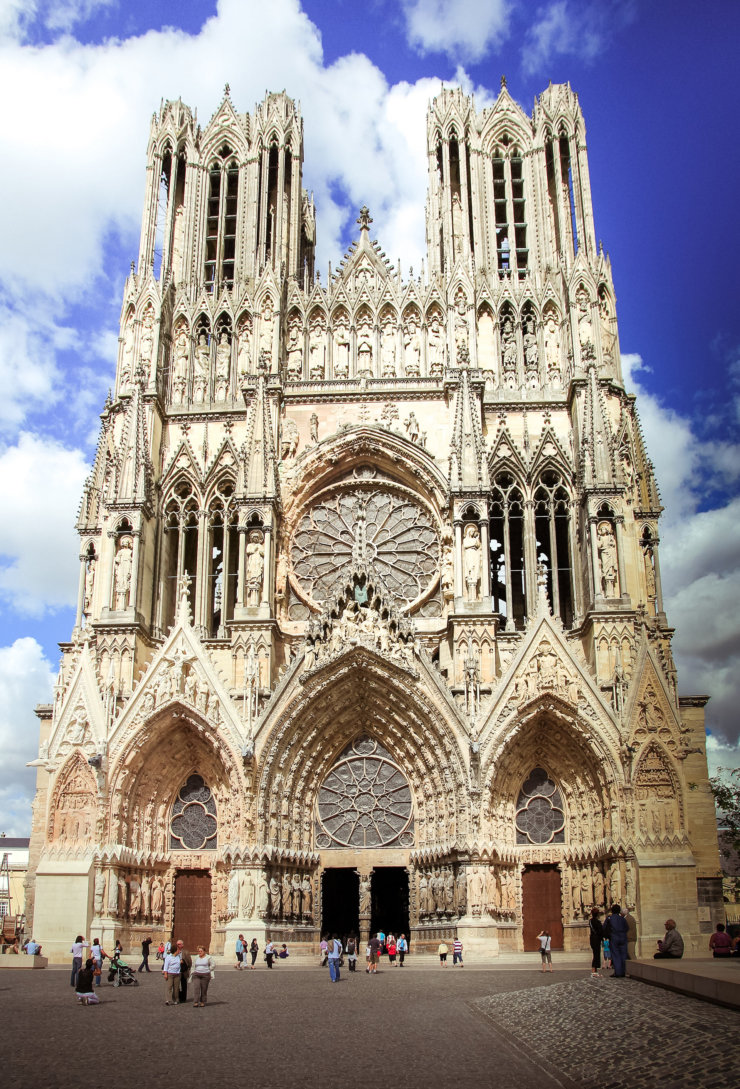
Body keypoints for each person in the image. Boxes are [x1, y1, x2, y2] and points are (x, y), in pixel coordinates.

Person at [605, 904, 628, 975]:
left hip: (614, 937)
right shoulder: (623, 919)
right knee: (623, 955)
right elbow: (627, 928)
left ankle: (618, 972)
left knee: (616, 955)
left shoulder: (610, 918)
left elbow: (604, 928)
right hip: (623, 937)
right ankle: (623, 971)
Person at [589, 908, 604, 978]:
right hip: (597, 939)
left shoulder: (590, 921)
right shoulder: (597, 922)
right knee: (596, 955)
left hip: (592, 939)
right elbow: (600, 931)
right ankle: (594, 971)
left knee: (595, 954)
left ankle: (595, 971)